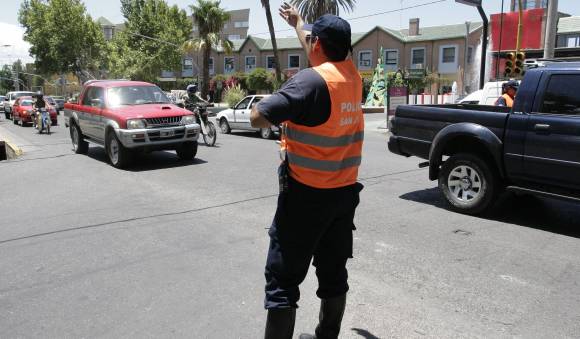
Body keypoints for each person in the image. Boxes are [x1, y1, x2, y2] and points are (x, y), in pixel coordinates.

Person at [250, 4, 364, 339]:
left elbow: (259, 118)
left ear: (317, 46)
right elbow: (316, 49)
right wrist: (299, 23)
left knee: (282, 281)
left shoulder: (308, 83)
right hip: (343, 197)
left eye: (311, 39)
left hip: (305, 198)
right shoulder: (351, 76)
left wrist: (267, 103)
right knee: (333, 273)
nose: (308, 41)